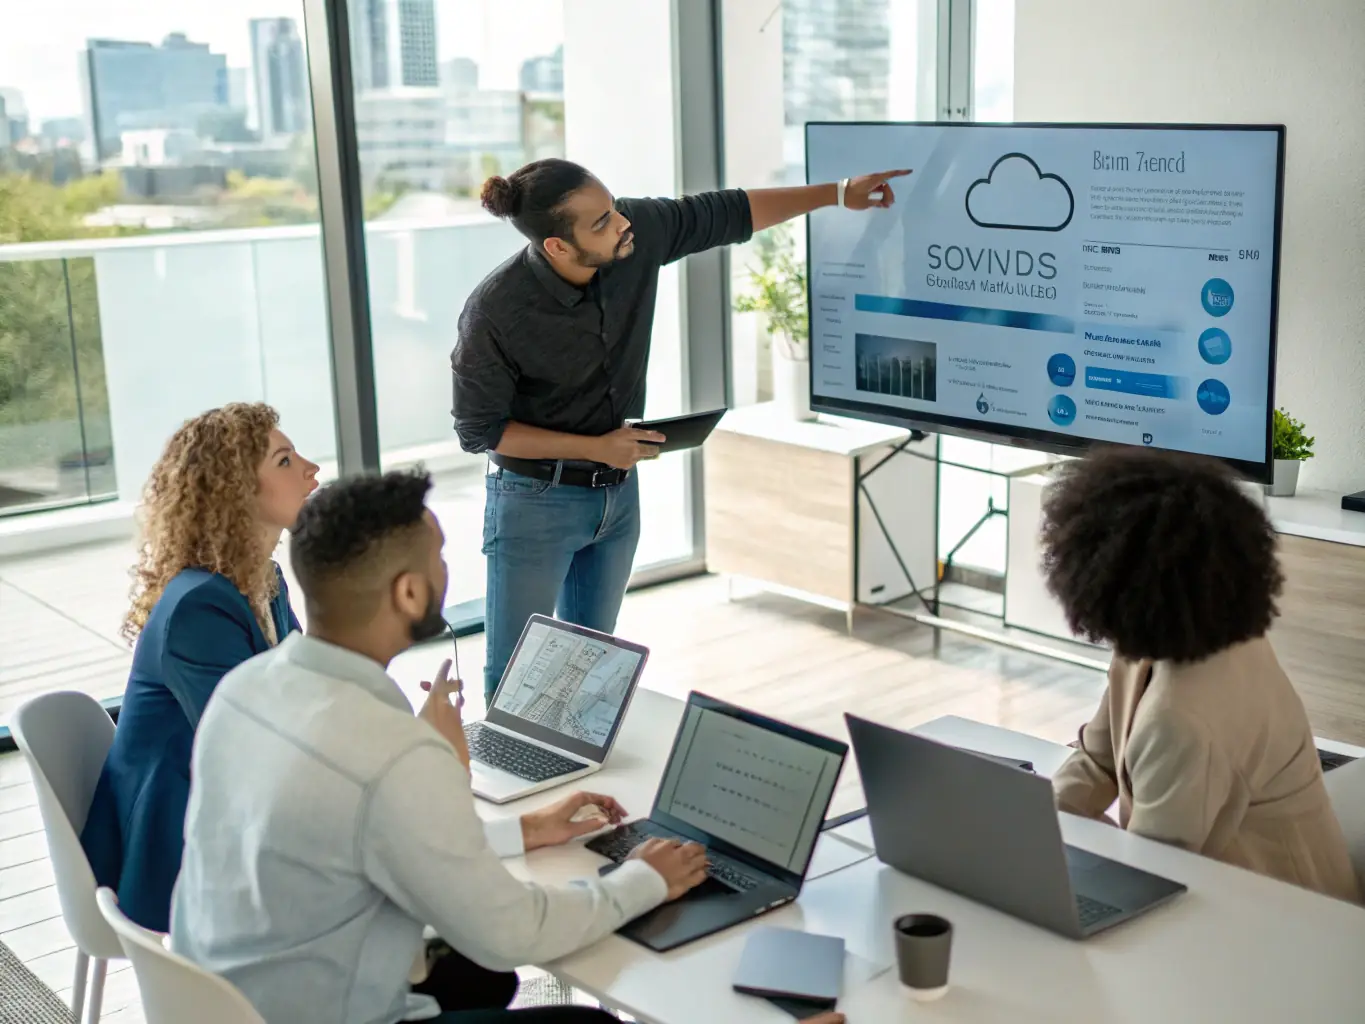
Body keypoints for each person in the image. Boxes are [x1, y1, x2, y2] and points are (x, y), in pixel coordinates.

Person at [173, 469, 762, 1024]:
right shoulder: (394, 752)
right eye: (440, 559)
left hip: (229, 1002)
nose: (447, 572)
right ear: (408, 592)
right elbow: (513, 932)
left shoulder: (242, 689)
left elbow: (352, 833)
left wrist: (521, 831)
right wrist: (642, 878)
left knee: (481, 979)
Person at [453, 157, 911, 701]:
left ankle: (575, 784)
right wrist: (596, 446)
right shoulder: (494, 311)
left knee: (587, 670)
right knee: (516, 680)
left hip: (616, 496)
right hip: (532, 502)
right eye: (600, 222)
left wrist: (838, 190)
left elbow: (729, 212)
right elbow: (481, 431)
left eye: (615, 207)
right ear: (557, 246)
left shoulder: (632, 234)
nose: (621, 223)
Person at [1041, 448, 1361, 903]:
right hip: (1208, 885)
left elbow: (1148, 877)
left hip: (1281, 921)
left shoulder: (1183, 721)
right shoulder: (1177, 633)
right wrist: (1034, 825)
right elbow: (1098, 761)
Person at [81, 402, 318, 931]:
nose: (311, 469)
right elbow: (251, 744)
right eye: (284, 461)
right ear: (236, 493)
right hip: (176, 849)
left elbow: (302, 697)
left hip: (230, 813)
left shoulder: (265, 579)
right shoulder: (198, 605)